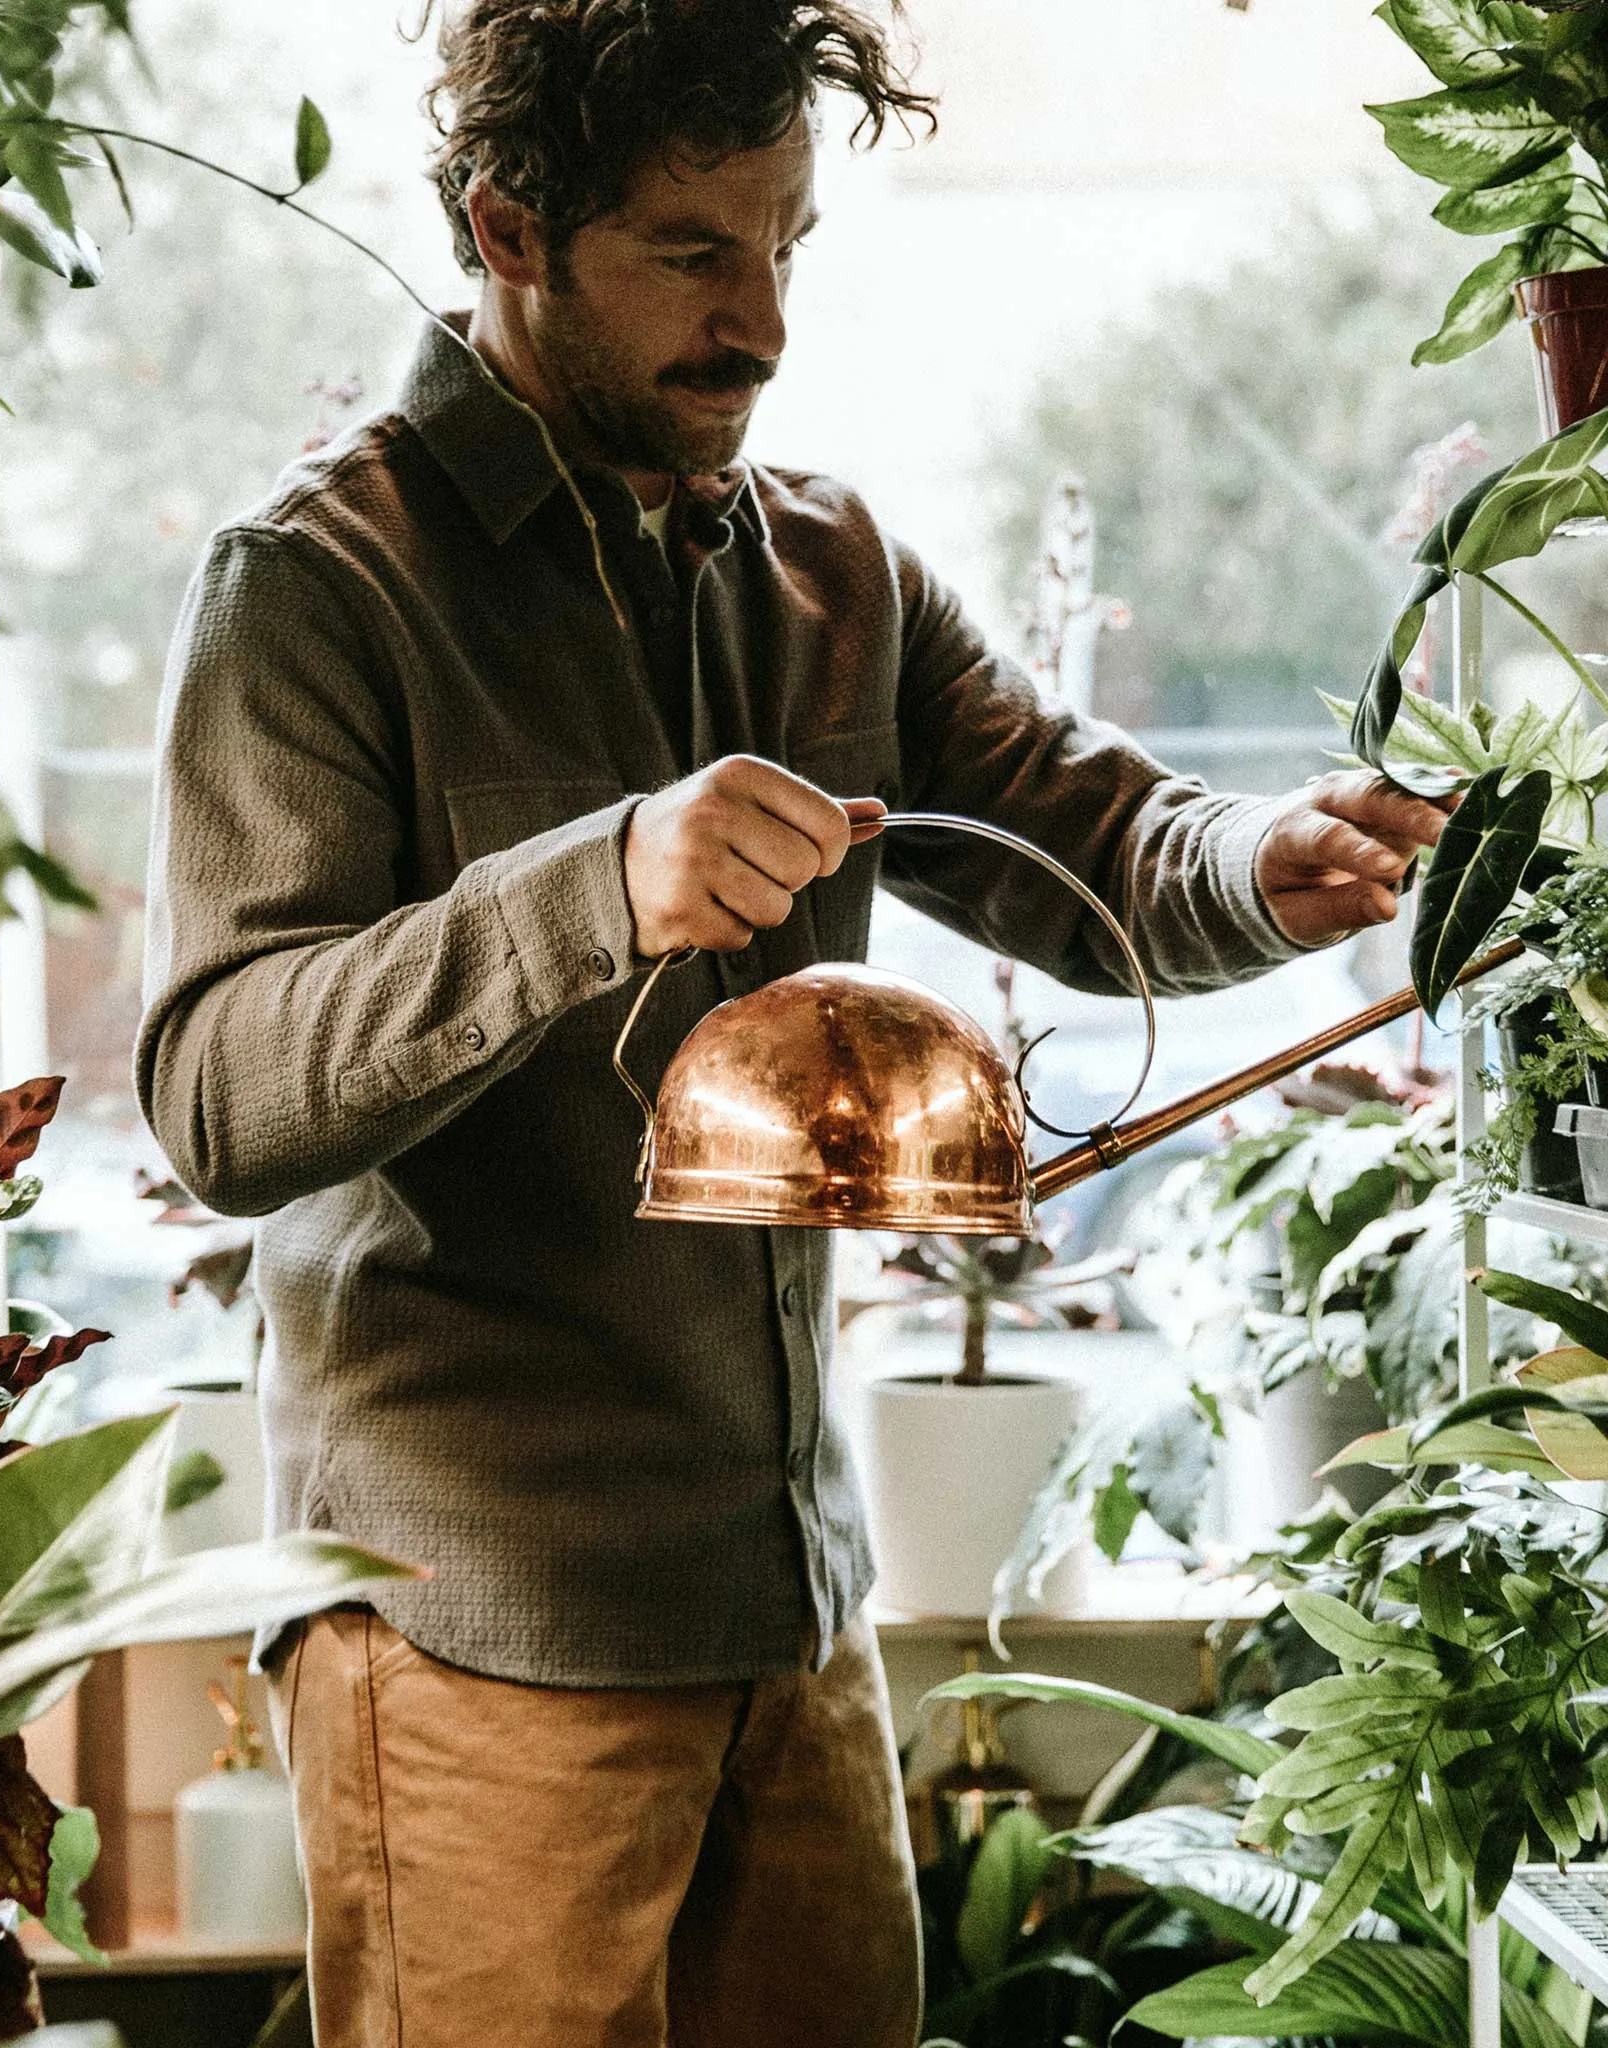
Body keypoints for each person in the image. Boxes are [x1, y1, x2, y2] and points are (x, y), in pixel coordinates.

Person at [136, 4, 1447, 2041]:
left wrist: (1266, 862)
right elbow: (219, 1095)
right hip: (476, 1638)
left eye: (784, 246)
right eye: (690, 253)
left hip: (792, 1607)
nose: (758, 324)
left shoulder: (834, 567)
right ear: (507, 227)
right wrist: (593, 884)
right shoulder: (315, 587)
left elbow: (1094, 836)